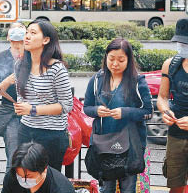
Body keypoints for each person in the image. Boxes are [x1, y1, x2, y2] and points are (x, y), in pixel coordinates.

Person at [83, 38, 153, 193]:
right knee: (106, 187)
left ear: (129, 60)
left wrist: (125, 112)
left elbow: (148, 111)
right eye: (111, 59)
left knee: (128, 187)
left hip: (130, 145)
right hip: (103, 143)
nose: (115, 64)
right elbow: (86, 108)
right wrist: (96, 110)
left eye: (121, 60)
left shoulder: (137, 81)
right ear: (106, 57)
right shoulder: (96, 80)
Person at [14, 19, 73, 172]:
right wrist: (21, 107)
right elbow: (21, 97)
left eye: (33, 33)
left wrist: (33, 109)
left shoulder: (57, 68)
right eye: (26, 32)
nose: (26, 36)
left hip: (52, 134)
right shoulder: (19, 65)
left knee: (49, 179)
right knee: (24, 175)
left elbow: (66, 105)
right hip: (25, 130)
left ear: (46, 40)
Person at [0, 22, 26, 172]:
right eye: (14, 32)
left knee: (15, 155)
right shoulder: (0, 59)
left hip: (29, 112)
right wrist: (6, 82)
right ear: (8, 37)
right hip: (6, 109)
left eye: (22, 32)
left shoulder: (34, 57)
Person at [157, 18, 188, 193]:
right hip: (176, 136)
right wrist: (165, 111)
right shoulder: (171, 64)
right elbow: (162, 97)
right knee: (175, 185)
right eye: (180, 42)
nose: (182, 46)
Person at [1, 142, 76, 193]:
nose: (23, 180)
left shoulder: (61, 189)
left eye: (30, 176)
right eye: (20, 176)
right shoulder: (12, 177)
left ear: (44, 169)